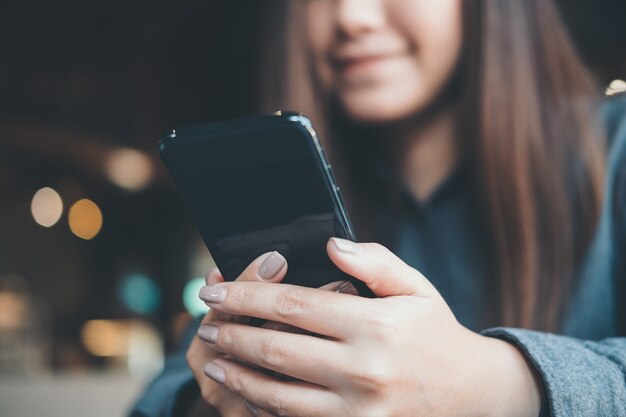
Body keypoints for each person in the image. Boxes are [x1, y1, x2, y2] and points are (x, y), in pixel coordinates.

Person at [131, 1, 626, 416]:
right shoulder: (288, 197)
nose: (352, 16)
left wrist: (511, 385)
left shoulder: (615, 146)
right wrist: (220, 395)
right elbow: (157, 398)